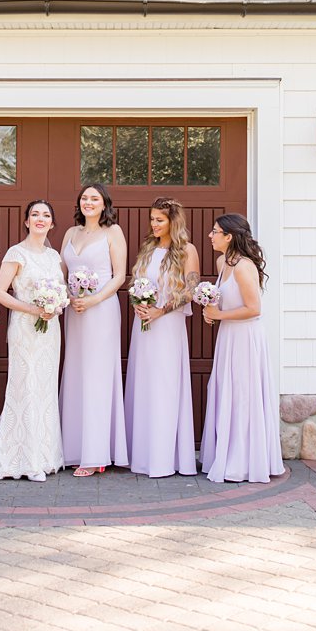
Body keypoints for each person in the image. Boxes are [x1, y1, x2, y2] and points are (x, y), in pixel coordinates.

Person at [0, 200, 65, 481]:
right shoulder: (16, 253)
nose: (40, 219)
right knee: (24, 386)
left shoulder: (55, 257)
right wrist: (33, 309)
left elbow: (62, 293)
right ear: (27, 221)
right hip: (25, 329)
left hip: (50, 331)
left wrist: (57, 306)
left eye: (46, 216)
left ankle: (45, 456)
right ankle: (22, 460)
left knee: (45, 388)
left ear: (52, 223)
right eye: (35, 215)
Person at [200, 214, 284, 484]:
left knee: (244, 394)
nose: (210, 236)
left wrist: (219, 315)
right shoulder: (222, 262)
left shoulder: (244, 266)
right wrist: (211, 313)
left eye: (215, 232)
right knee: (228, 391)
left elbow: (253, 309)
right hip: (228, 337)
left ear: (229, 236)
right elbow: (227, 302)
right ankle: (225, 453)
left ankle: (244, 461)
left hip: (246, 338)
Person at [125, 199, 202, 478]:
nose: (154, 224)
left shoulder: (186, 250)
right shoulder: (149, 249)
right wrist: (138, 302)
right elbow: (137, 283)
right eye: (152, 219)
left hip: (168, 325)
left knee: (165, 385)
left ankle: (165, 457)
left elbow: (191, 289)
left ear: (173, 222)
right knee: (144, 384)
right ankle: (143, 455)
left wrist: (161, 310)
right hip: (144, 324)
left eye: (159, 220)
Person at [60, 182, 129, 476]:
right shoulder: (70, 233)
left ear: (104, 204)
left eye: (95, 198)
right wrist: (69, 296)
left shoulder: (113, 232)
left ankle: (96, 453)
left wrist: (94, 299)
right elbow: (61, 273)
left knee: (98, 376)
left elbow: (119, 276)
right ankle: (75, 448)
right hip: (74, 312)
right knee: (75, 373)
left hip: (101, 310)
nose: (88, 202)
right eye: (85, 198)